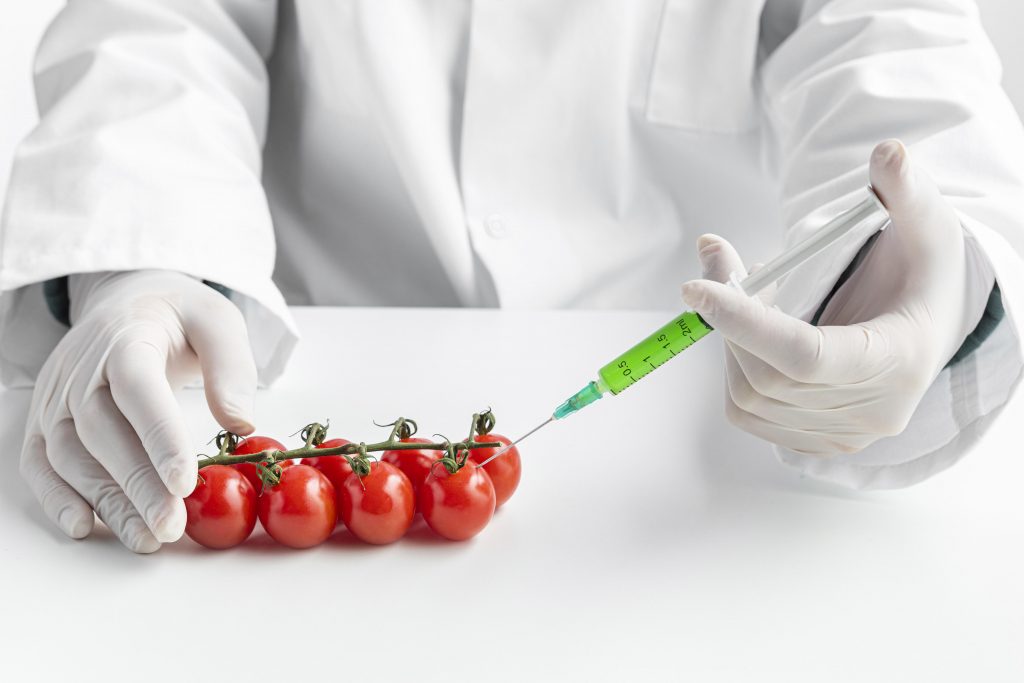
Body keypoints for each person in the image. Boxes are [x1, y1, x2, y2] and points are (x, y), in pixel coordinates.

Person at [1, 1, 1021, 553]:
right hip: (303, 344)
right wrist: (141, 257)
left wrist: (915, 282)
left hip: (720, 436)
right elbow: (164, 24)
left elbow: (895, 48)